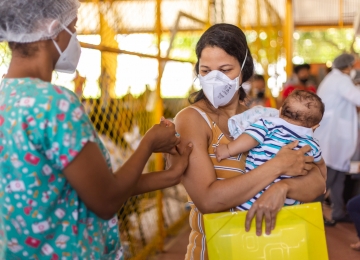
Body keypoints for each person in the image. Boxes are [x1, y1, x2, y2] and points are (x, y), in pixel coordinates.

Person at [0, 0, 193, 259]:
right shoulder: (54, 104)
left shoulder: (6, 98)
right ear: (53, 28)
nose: (75, 37)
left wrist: (170, 176)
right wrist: (148, 144)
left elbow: (89, 187)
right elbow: (106, 200)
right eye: (74, 27)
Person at [172, 23, 326, 260]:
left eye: (225, 69)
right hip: (215, 252)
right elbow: (208, 200)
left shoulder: (263, 116)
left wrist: (282, 187)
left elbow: (318, 181)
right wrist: (277, 166)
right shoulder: (191, 120)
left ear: (244, 69)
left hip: (270, 249)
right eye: (205, 71)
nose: (215, 79)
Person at [214, 90, 326, 210]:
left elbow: (251, 138)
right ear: (315, 126)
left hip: (251, 201)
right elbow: (320, 165)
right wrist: (323, 180)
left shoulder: (269, 123)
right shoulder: (312, 145)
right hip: (286, 207)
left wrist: (229, 149)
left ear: (281, 110)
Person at [314, 53, 360, 224]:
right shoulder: (341, 80)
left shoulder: (333, 78)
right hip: (333, 137)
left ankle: (339, 212)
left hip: (334, 136)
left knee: (339, 176)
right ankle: (315, 213)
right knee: (328, 178)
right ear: (347, 67)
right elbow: (357, 97)